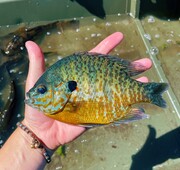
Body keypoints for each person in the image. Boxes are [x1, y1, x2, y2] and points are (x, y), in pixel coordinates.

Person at [0, 32, 152, 169]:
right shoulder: (55, 109)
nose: (32, 95)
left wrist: (31, 139)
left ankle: (148, 93)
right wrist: (33, 132)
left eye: (42, 90)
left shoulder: (61, 105)